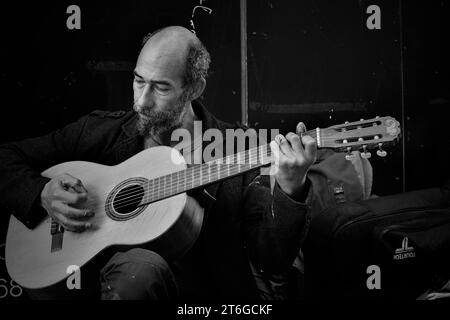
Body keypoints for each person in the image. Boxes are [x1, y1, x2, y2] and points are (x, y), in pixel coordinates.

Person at [0, 26, 371, 300]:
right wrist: (42, 193)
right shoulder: (99, 132)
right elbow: (6, 157)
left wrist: (291, 188)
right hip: (87, 282)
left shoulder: (235, 150)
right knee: (139, 270)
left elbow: (271, 259)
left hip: (196, 299)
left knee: (141, 270)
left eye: (160, 87)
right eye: (137, 81)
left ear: (194, 89)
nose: (141, 101)